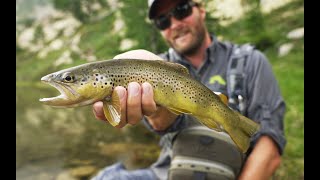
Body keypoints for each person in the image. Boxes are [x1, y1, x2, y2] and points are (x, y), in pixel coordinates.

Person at [91, 0, 286, 179]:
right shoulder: (152, 66)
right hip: (167, 172)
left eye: (181, 10)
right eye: (162, 20)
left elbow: (269, 146)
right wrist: (158, 110)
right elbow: (161, 125)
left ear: (201, 10)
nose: (174, 24)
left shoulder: (251, 61)